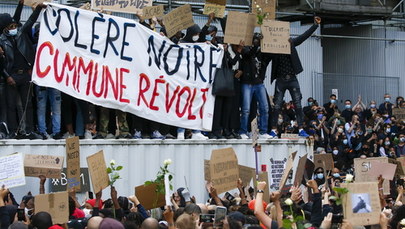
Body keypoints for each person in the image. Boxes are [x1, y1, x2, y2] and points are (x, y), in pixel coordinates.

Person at [269, 16, 322, 138]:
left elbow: (303, 37)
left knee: (298, 105)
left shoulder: (291, 43)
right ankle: (273, 130)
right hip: (280, 79)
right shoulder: (273, 48)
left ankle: (301, 129)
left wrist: (315, 25)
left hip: (292, 78)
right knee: (277, 105)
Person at [0, 4, 47, 139]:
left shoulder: (21, 33)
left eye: (15, 26)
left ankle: (28, 131)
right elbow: (1, 65)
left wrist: (38, 8)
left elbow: (31, 20)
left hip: (25, 74)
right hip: (11, 77)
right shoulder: (2, 41)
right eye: (11, 27)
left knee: (28, 105)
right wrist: (7, 76)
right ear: (5, 29)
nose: (14, 28)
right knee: (11, 106)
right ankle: (13, 132)